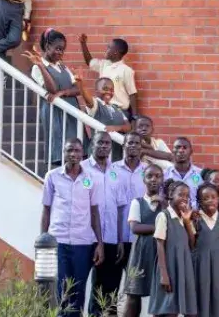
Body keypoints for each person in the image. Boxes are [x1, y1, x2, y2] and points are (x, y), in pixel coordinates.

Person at [41, 138, 104, 317]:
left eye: (77, 151)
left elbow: (94, 212)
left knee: (79, 289)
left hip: (83, 243)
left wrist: (99, 243)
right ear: (64, 153)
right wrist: (43, 241)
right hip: (58, 241)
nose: (73, 154)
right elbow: (46, 209)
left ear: (82, 153)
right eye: (69, 151)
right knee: (62, 289)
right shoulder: (52, 176)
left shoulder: (91, 179)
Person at [82, 131, 128, 316]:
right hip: (86, 238)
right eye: (99, 142)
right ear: (92, 144)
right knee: (81, 284)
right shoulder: (83, 169)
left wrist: (119, 241)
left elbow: (119, 210)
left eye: (107, 143)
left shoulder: (116, 173)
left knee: (109, 287)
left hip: (110, 239)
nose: (104, 146)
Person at [25, 29, 82, 168]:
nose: (60, 53)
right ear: (47, 46)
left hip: (71, 111)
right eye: (57, 49)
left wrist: (63, 93)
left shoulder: (63, 66)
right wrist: (41, 66)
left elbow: (77, 89)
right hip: (54, 112)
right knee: (61, 150)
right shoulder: (37, 68)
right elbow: (51, 89)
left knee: (76, 149)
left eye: (62, 50)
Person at [151, 181, 199, 317]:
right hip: (169, 268)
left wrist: (187, 222)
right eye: (181, 194)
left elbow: (192, 243)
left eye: (187, 196)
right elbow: (159, 245)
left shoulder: (185, 218)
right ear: (171, 194)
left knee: (188, 309)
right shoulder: (164, 216)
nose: (184, 198)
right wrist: (164, 275)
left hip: (183, 267)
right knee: (167, 309)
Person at [124, 163, 164, 317]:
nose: (153, 179)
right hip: (141, 252)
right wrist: (160, 227)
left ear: (162, 179)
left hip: (160, 253)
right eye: (149, 176)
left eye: (157, 176)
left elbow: (172, 224)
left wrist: (163, 202)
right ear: (144, 180)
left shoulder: (166, 204)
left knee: (159, 295)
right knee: (133, 295)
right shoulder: (138, 202)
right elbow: (135, 228)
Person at [80, 34, 139, 114]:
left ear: (116, 52)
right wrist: (83, 44)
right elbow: (89, 62)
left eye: (109, 48)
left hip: (119, 111)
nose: (106, 50)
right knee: (84, 114)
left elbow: (132, 94)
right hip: (104, 109)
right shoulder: (104, 64)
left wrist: (134, 117)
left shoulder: (126, 70)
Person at [78, 76, 132, 160]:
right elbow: (88, 100)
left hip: (116, 152)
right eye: (105, 89)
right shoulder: (96, 105)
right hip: (99, 153)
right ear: (96, 91)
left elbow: (128, 127)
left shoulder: (116, 107)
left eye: (111, 90)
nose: (109, 92)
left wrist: (116, 128)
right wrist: (81, 85)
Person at [193, 182, 219, 317]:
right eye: (205, 198)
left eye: (213, 197)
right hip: (199, 266)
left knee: (216, 301)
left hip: (217, 266)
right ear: (199, 202)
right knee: (199, 300)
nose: (210, 200)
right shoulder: (195, 218)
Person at [165, 137, 205, 207]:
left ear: (191, 152)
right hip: (172, 216)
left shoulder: (201, 174)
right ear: (173, 151)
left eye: (185, 147)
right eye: (178, 147)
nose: (181, 150)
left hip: (195, 216)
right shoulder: (165, 174)